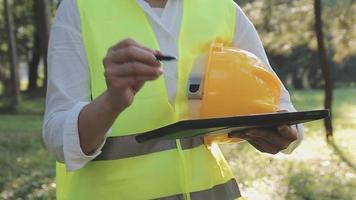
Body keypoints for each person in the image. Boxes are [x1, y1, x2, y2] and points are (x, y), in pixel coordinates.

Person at [43, 0, 303, 199]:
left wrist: (279, 132)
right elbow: (58, 139)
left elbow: (278, 103)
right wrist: (111, 102)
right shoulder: (80, 7)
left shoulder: (222, 8)